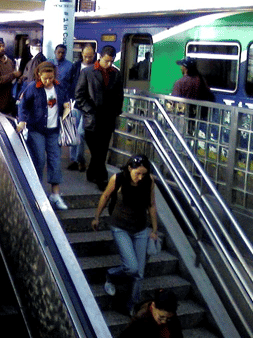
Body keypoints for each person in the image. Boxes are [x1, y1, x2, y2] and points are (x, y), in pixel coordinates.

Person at [91, 155, 159, 315]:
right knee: (132, 267)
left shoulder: (149, 182)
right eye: (138, 173)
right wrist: (96, 217)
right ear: (130, 168)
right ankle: (111, 275)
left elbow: (151, 205)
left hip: (141, 228)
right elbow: (105, 196)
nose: (140, 177)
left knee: (139, 273)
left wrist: (154, 229)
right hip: (120, 227)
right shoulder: (118, 179)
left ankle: (131, 305)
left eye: (143, 173)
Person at [17, 62, 71, 210]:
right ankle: (38, 192)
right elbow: (23, 106)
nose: (48, 81)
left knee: (55, 160)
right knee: (39, 159)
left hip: (54, 130)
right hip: (37, 130)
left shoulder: (59, 87)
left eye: (51, 78)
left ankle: (55, 194)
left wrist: (67, 107)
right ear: (39, 76)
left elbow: (66, 101)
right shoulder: (33, 88)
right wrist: (22, 122)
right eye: (45, 78)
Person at [75, 45, 124, 190]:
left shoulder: (116, 74)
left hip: (108, 118)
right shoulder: (87, 72)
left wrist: (116, 111)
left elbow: (119, 95)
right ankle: (102, 178)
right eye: (106, 61)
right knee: (97, 150)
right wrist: (89, 110)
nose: (109, 64)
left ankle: (94, 174)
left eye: (111, 61)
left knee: (102, 150)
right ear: (100, 57)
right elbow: (79, 95)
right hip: (92, 119)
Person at [67, 45, 96, 172]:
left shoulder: (97, 68)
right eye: (85, 56)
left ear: (94, 55)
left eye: (90, 56)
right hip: (74, 104)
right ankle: (74, 160)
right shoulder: (75, 66)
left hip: (88, 107)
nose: (87, 58)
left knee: (80, 133)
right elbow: (67, 82)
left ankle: (80, 160)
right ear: (82, 54)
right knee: (72, 134)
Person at [118, 289, 183, 338]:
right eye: (161, 317)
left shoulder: (172, 318)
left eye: (168, 319)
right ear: (153, 306)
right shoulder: (140, 321)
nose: (164, 321)